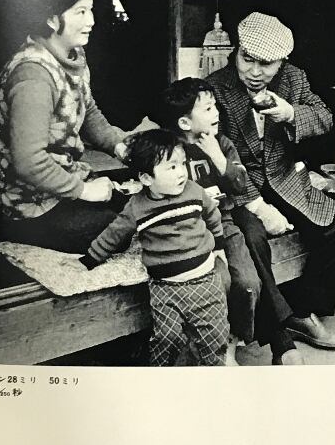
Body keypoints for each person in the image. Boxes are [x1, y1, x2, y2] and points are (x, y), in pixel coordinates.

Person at [207, 12, 335, 365]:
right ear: (236, 51)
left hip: (284, 177)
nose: (254, 72)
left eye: (266, 64)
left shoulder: (293, 78)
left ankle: (302, 311)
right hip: (239, 187)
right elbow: (217, 156)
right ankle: (279, 335)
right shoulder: (215, 87)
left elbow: (325, 117)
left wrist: (290, 113)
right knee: (253, 239)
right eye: (247, 59)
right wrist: (258, 206)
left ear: (282, 62)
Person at [0, 0, 149, 254]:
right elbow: (29, 161)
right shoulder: (33, 74)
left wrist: (119, 146)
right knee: (115, 229)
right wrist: (85, 190)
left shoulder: (74, 54)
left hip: (61, 181)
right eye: (80, 12)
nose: (92, 21)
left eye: (91, 10)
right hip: (23, 202)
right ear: (51, 19)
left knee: (135, 207)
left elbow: (88, 110)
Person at [80, 129, 230, 366]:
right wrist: (90, 258)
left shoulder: (194, 191)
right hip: (165, 288)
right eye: (172, 167)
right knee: (166, 339)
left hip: (205, 282)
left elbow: (212, 214)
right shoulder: (137, 207)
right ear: (147, 179)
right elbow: (114, 233)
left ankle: (214, 376)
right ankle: (160, 380)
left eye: (183, 164)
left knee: (214, 337)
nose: (181, 172)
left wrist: (219, 244)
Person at [156, 77, 261, 365]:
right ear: (185, 122)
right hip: (187, 230)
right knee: (219, 282)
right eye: (207, 109)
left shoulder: (222, 144)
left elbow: (240, 184)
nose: (216, 113)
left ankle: (232, 342)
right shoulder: (169, 149)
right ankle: (210, 347)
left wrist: (218, 157)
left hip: (224, 223)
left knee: (248, 282)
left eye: (215, 106)